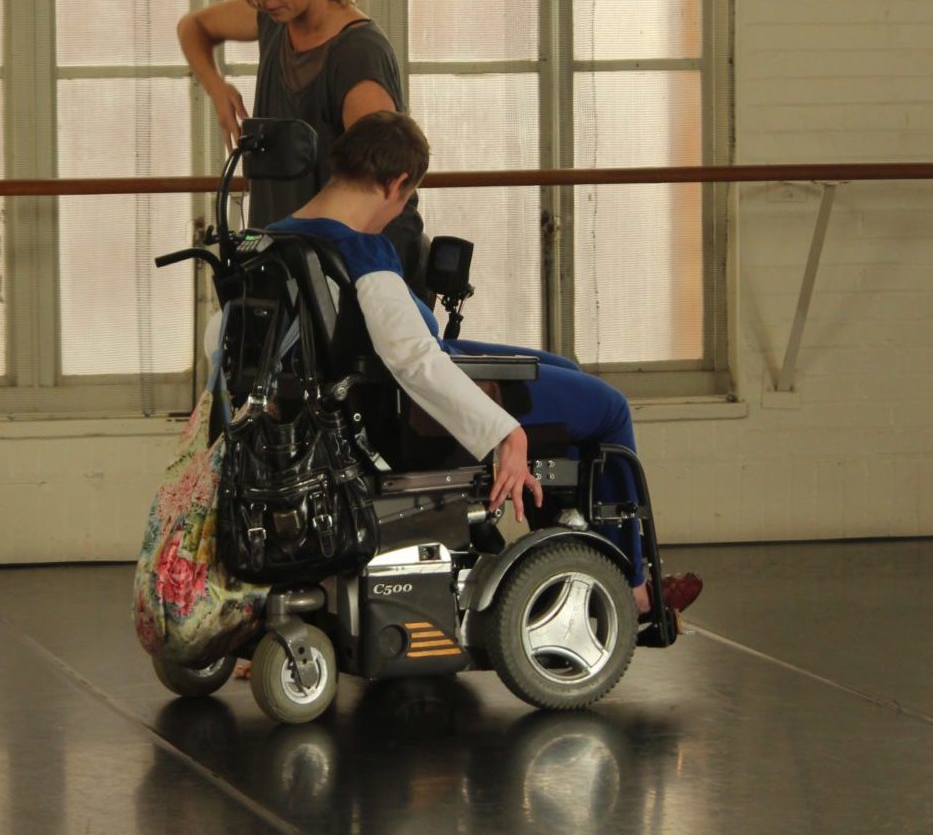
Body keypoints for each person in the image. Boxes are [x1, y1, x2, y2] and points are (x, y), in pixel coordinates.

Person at [270, 110, 701, 621]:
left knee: (564, 368)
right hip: (401, 408)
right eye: (405, 200)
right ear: (398, 183)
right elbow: (413, 359)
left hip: (351, 399)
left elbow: (230, 347)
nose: (397, 210)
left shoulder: (275, 242)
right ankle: (631, 588)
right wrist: (504, 434)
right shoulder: (361, 252)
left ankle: (566, 543)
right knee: (609, 409)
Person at [177, 0, 423, 273]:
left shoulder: (357, 55)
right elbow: (193, 27)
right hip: (287, 259)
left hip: (345, 269)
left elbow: (381, 190)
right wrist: (216, 88)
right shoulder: (274, 18)